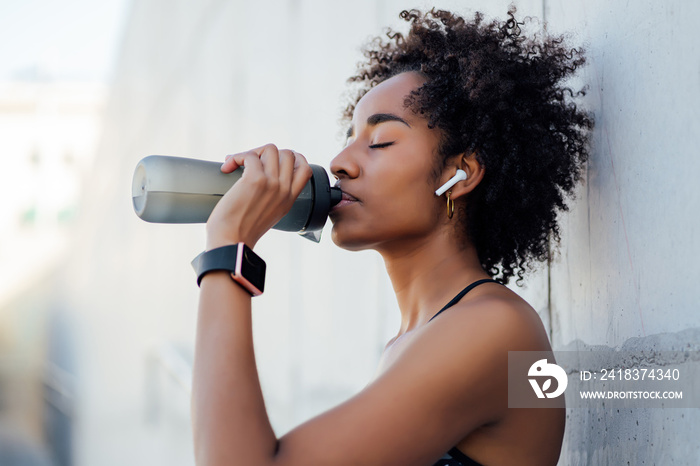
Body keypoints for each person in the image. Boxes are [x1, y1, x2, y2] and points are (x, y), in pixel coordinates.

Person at [190, 7, 592, 466]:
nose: (340, 161)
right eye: (348, 138)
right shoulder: (417, 339)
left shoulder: (495, 330)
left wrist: (229, 248)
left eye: (379, 141)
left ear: (460, 173)